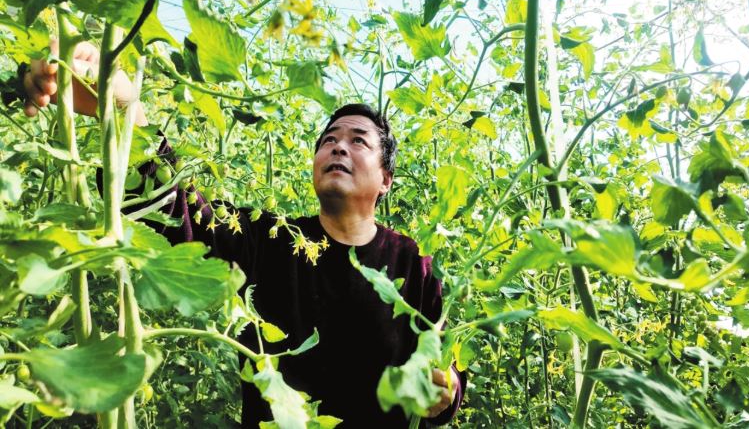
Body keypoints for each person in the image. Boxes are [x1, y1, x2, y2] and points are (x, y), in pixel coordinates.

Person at [23, 41, 465, 427]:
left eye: (358, 141)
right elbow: (172, 211)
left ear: (385, 179)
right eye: (329, 139)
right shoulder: (270, 241)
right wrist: (124, 109)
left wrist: (446, 391)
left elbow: (445, 370)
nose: (338, 146)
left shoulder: (413, 265)